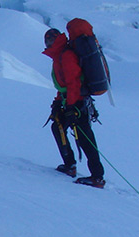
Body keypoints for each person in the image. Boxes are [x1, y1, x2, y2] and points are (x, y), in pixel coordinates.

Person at [43, 24, 105, 188]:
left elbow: (73, 83)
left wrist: (70, 106)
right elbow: (63, 85)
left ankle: (97, 176)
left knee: (85, 138)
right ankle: (70, 165)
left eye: (50, 40)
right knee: (58, 128)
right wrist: (58, 101)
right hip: (72, 101)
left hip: (77, 102)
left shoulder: (66, 56)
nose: (48, 43)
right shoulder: (59, 56)